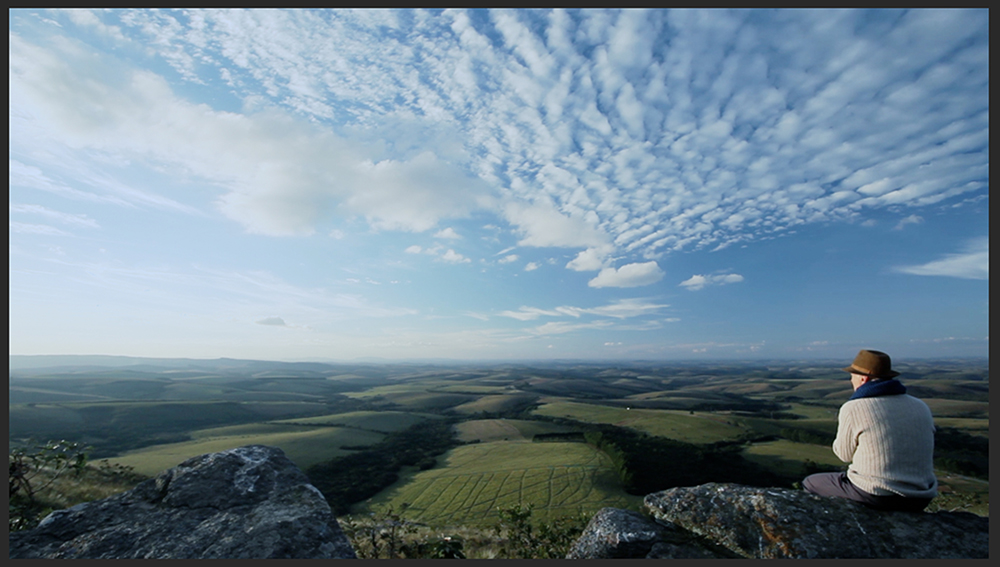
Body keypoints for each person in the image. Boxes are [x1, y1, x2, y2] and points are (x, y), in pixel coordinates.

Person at [802, 349, 937, 512]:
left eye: (852, 376)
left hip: (877, 494)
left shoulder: (855, 407)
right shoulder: (920, 406)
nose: (851, 380)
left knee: (811, 483)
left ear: (863, 378)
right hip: (921, 498)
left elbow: (844, 455)